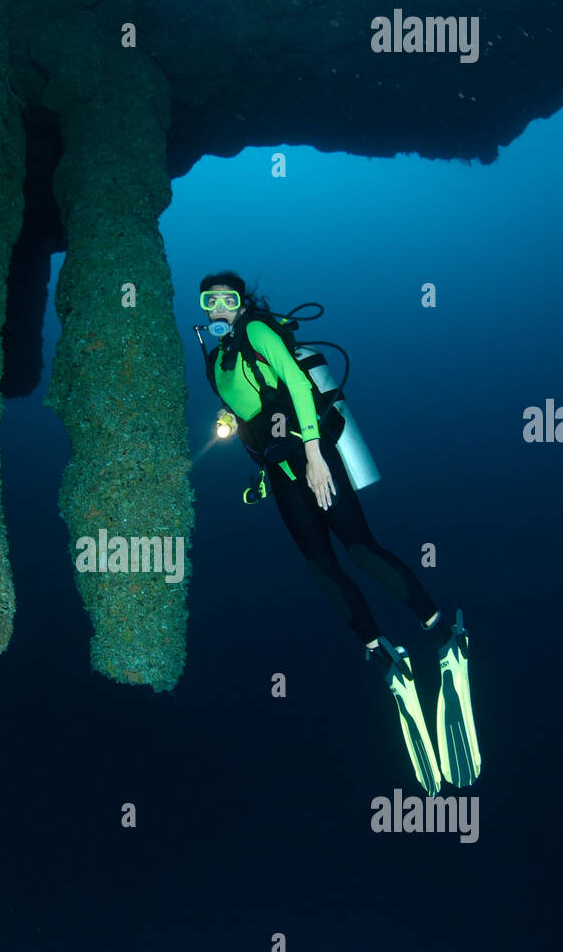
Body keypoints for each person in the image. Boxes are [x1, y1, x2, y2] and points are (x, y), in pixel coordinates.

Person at [198, 271, 480, 794]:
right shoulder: (216, 357)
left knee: (359, 551)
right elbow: (251, 414)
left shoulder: (258, 331)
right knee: (320, 568)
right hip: (281, 476)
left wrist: (313, 457)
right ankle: (380, 653)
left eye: (227, 298)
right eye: (209, 300)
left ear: (242, 301)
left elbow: (301, 388)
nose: (218, 307)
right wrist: (259, 460)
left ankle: (443, 635)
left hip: (314, 460)